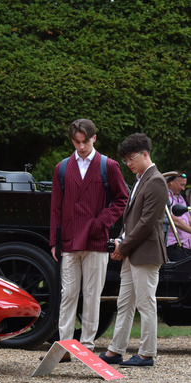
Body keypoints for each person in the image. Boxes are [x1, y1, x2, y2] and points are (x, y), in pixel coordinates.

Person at [49, 119, 129, 358]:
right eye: (76, 142)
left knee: (92, 296)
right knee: (68, 295)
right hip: (70, 241)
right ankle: (64, 346)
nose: (81, 146)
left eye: (85, 141)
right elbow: (55, 207)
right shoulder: (61, 168)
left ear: (94, 138)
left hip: (96, 241)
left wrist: (102, 221)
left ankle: (87, 347)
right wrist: (54, 241)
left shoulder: (109, 166)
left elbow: (122, 199)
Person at [100, 133, 168, 367]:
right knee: (124, 302)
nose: (128, 163)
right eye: (126, 159)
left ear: (145, 154)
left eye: (131, 158)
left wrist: (123, 246)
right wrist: (120, 243)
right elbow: (131, 221)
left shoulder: (156, 180)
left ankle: (147, 353)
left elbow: (147, 223)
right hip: (132, 251)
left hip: (146, 253)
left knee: (145, 303)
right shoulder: (141, 179)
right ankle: (115, 350)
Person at [163, 171, 191, 261]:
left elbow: (187, 217)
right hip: (174, 246)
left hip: (185, 246)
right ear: (171, 182)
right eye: (181, 185)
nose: (183, 188)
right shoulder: (165, 197)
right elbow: (173, 219)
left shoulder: (180, 198)